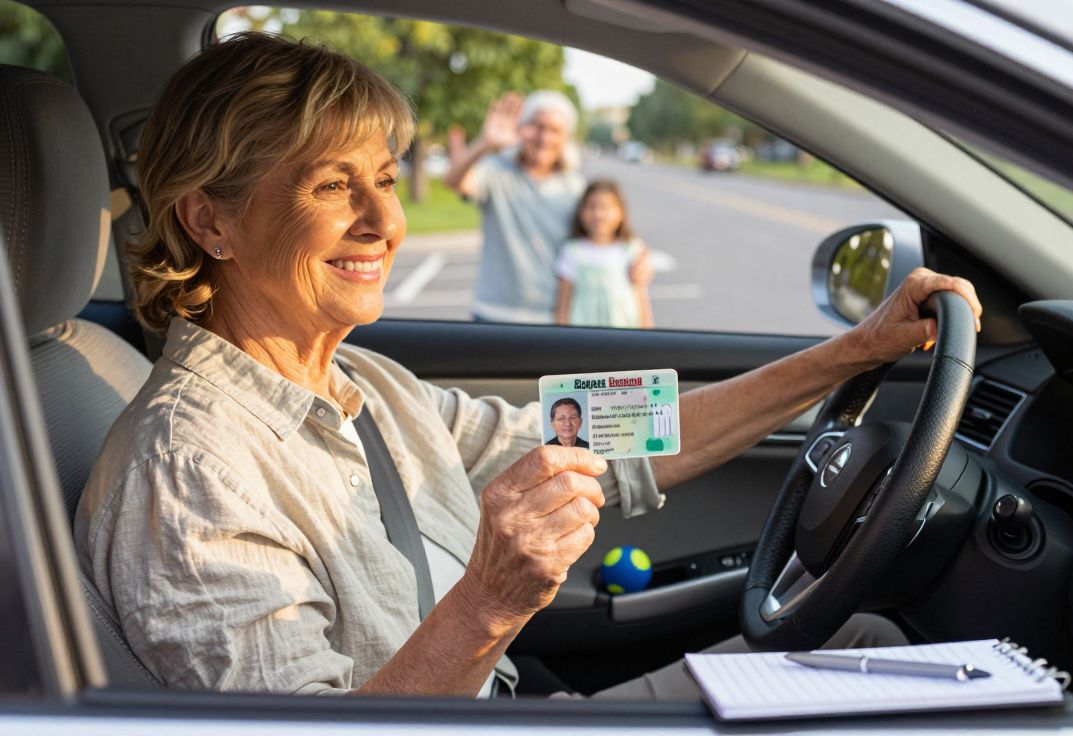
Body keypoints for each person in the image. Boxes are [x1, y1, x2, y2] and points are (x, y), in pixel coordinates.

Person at [75, 33, 983, 700]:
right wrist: (489, 603)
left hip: (515, 706)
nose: (384, 224)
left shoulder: (369, 386)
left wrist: (854, 351)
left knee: (875, 652)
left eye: (385, 179)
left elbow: (631, 435)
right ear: (210, 222)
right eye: (328, 185)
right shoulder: (187, 472)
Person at [443, 91, 651, 323]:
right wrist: (485, 144)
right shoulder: (496, 172)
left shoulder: (574, 188)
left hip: (551, 318)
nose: (544, 138)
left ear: (566, 139)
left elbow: (602, 238)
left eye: (555, 131)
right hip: (493, 314)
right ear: (523, 128)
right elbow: (453, 181)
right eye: (538, 126)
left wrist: (638, 261)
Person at [554, 180, 653, 328]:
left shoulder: (631, 248)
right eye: (591, 207)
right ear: (580, 211)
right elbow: (563, 302)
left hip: (624, 331)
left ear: (621, 212)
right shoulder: (573, 250)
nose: (598, 214)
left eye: (606, 207)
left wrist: (647, 332)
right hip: (583, 332)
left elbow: (641, 298)